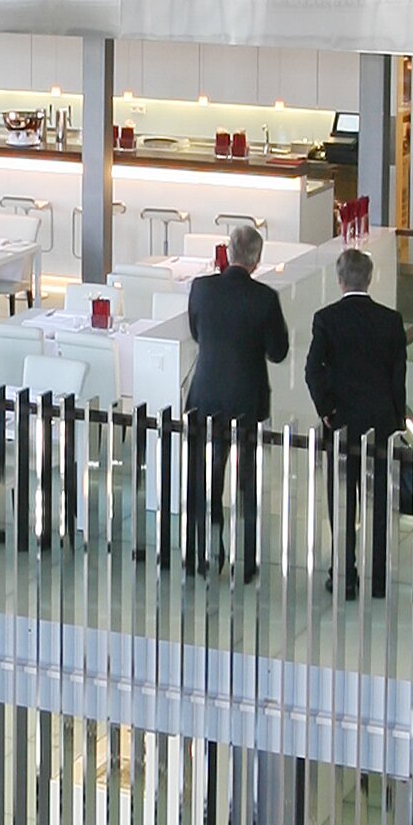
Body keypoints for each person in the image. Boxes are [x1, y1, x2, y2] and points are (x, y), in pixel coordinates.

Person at [304, 241, 411, 598]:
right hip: (380, 420)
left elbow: (312, 371)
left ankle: (344, 574)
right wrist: (397, 421)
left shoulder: (326, 319)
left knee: (343, 499)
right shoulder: (391, 321)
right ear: (370, 279)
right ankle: (378, 577)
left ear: (339, 279)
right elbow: (399, 377)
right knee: (381, 498)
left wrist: (328, 410)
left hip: (343, 423)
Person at [184, 217, 288, 572]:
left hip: (206, 393)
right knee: (247, 480)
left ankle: (203, 553)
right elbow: (278, 351)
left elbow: (197, 332)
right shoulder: (265, 299)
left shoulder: (201, 288)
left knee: (205, 476)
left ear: (227, 254)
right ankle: (247, 560)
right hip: (247, 398)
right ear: (257, 261)